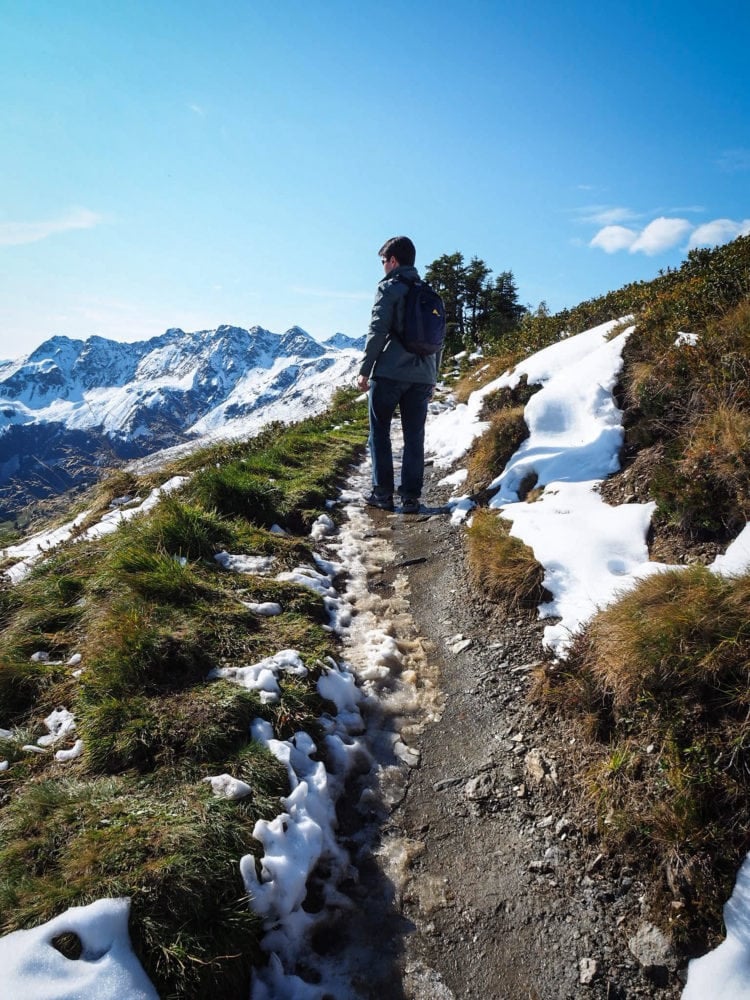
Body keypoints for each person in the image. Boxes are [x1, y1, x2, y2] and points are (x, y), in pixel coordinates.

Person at [357, 236, 441, 514]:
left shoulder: (389, 288)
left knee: (379, 432)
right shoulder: (429, 292)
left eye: (383, 261)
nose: (382, 267)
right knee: (414, 437)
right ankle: (410, 498)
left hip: (391, 373)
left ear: (393, 261)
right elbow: (438, 340)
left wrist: (364, 370)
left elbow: (378, 331)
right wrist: (433, 379)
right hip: (423, 376)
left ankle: (382, 493)